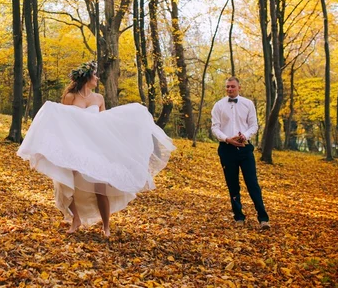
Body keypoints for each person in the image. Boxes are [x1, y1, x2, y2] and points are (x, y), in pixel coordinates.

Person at [17, 61, 174, 237]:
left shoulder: (98, 98)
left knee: (101, 185)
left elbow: (104, 123)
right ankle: (76, 219)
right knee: (66, 182)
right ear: (87, 77)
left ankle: (106, 226)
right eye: (95, 75)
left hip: (94, 147)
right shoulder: (70, 97)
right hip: (75, 146)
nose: (97, 78)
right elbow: (63, 122)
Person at [211, 76, 270, 230]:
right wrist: (227, 139)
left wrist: (245, 135)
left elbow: (254, 125)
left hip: (245, 148)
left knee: (252, 183)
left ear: (239, 87)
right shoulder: (218, 105)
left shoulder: (248, 104)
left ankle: (263, 218)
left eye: (232, 86)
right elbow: (215, 127)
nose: (230, 89)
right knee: (232, 184)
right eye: (227, 87)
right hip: (226, 149)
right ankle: (239, 216)